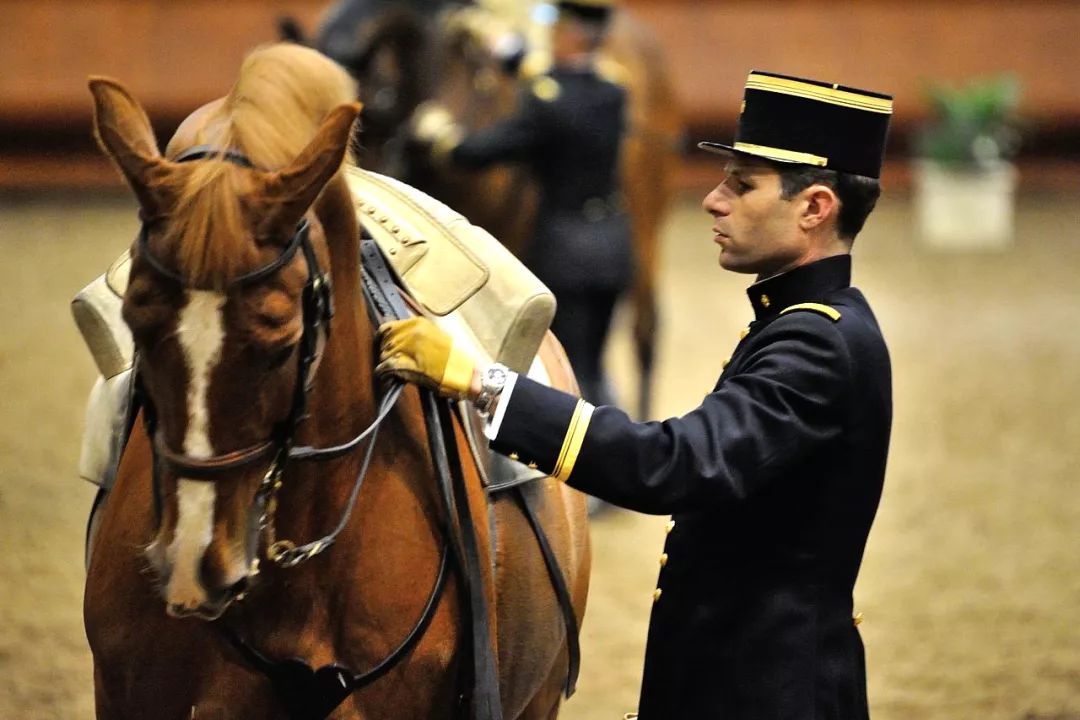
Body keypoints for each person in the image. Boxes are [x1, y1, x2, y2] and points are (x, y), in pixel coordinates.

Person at [380, 69, 894, 719]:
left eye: (742, 185)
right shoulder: (807, 322)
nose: (713, 200)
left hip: (770, 691)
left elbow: (674, 464)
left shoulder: (819, 344)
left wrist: (486, 382)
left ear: (815, 208)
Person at [413, 0, 632, 408]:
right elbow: (549, 81)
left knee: (567, 369)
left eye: (553, 27)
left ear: (567, 34)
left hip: (564, 252)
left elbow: (476, 153)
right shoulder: (613, 92)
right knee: (596, 362)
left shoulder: (547, 105)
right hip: (613, 249)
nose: (547, 34)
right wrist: (508, 50)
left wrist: (440, 135)